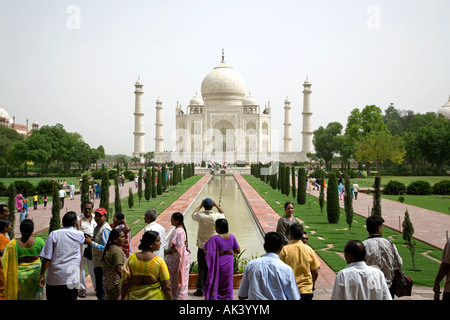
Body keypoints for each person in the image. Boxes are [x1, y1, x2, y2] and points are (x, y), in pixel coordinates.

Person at [238, 232, 300, 300]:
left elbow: (242, 295)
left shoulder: (251, 266)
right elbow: (294, 297)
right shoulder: (287, 270)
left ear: (264, 247)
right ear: (281, 248)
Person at [39, 213, 85, 300]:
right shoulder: (79, 235)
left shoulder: (54, 234)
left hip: (55, 277)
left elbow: (46, 258)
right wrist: (78, 225)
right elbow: (81, 236)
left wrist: (42, 275)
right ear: (74, 222)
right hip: (72, 277)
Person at [121, 231, 172, 300]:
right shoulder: (159, 261)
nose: (160, 243)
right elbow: (167, 286)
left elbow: (125, 283)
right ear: (150, 244)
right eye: (158, 241)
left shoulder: (132, 259)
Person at [2, 219, 45, 300]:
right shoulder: (39, 241)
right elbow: (46, 259)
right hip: (35, 277)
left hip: (19, 278)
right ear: (32, 230)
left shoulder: (12, 244)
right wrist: (42, 275)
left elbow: (4, 261)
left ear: (21, 230)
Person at [191, 197, 225, 296]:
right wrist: (217, 205)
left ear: (204, 206)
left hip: (202, 247)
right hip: (213, 247)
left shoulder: (200, 216)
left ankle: (200, 289)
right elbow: (224, 214)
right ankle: (213, 289)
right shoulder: (216, 216)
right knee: (213, 268)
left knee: (202, 268)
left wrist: (200, 206)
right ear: (212, 206)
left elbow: (193, 215)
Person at [363, 215, 402, 299]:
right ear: (379, 228)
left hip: (370, 287)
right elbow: (399, 263)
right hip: (387, 286)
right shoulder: (389, 244)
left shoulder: (363, 245)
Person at [279, 223, 320, 300]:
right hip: (306, 290)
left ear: (290, 234)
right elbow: (316, 271)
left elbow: (279, 270)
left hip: (290, 290)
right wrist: (313, 283)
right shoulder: (309, 249)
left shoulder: (285, 250)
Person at [203, 218, 240, 300]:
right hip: (229, 265)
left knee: (217, 283)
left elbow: (205, 250)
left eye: (215, 226)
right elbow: (238, 251)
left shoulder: (215, 239)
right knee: (228, 283)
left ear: (218, 228)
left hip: (218, 265)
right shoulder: (232, 237)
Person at [84, 207, 111, 300]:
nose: (98, 218)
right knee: (99, 289)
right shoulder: (97, 228)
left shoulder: (105, 230)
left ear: (105, 217)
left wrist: (91, 243)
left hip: (103, 263)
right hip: (98, 262)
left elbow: (106, 248)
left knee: (102, 290)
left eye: (100, 216)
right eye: (97, 216)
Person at [165, 212, 191, 300]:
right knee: (182, 279)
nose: (170, 220)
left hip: (177, 259)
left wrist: (167, 252)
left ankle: (177, 297)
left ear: (176, 221)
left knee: (176, 280)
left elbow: (177, 247)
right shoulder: (182, 229)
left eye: (172, 219)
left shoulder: (178, 231)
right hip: (182, 258)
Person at [76, 201, 97, 298]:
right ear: (82, 209)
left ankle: (96, 288)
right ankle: (82, 289)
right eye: (85, 208)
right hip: (82, 245)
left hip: (93, 244)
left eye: (89, 208)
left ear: (92, 208)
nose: (87, 210)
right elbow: (75, 233)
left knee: (93, 267)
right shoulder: (78, 219)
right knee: (81, 267)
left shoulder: (95, 217)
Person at [102, 228, 126, 300]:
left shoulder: (109, 247)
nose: (124, 239)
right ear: (115, 239)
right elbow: (119, 269)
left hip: (107, 282)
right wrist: (125, 281)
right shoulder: (117, 251)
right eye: (121, 237)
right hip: (115, 283)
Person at [0, 219, 11, 300]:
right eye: (9, 225)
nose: (11, 227)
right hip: (2, 268)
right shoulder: (4, 239)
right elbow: (2, 251)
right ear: (5, 228)